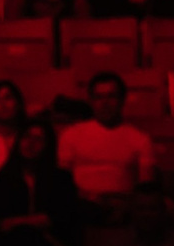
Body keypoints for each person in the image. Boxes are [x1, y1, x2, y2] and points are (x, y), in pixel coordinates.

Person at [58, 72, 157, 208]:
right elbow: (62, 182)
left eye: (111, 96)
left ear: (122, 100)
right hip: (80, 208)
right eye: (99, 97)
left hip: (124, 209)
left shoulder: (140, 139)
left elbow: (146, 188)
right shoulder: (71, 134)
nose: (105, 103)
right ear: (91, 101)